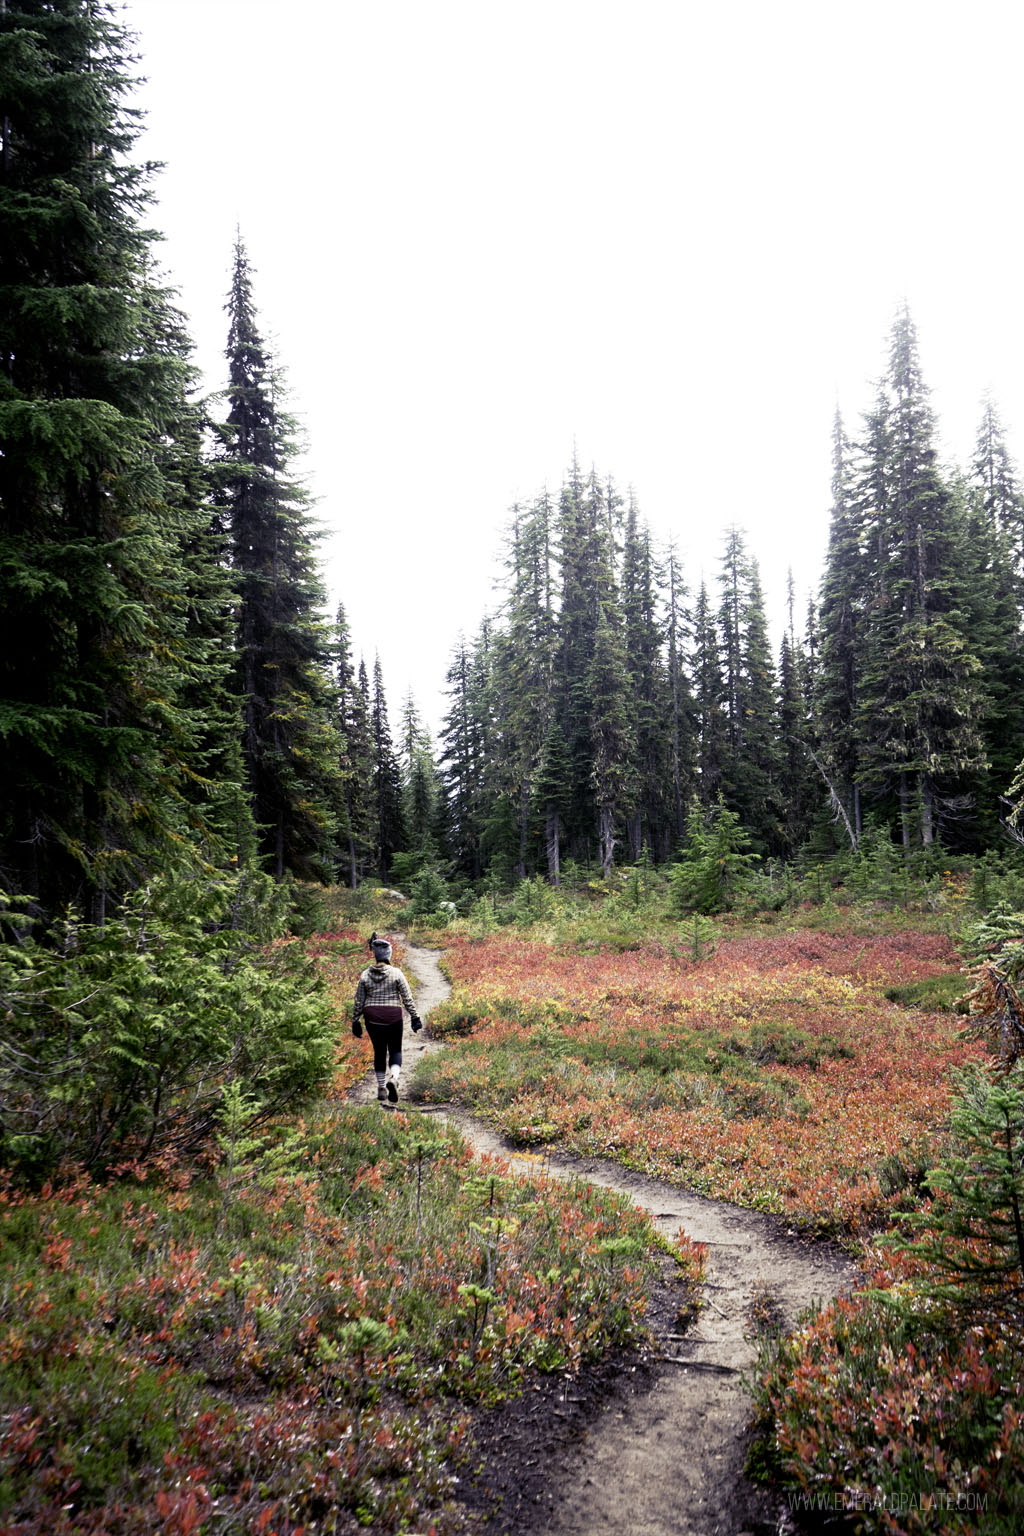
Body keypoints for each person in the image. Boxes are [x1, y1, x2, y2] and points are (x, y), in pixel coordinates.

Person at [352, 932, 422, 1103]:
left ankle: (381, 1088)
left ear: (375, 955)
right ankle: (394, 1078)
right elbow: (407, 997)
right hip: (393, 1016)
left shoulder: (365, 975)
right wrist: (415, 1017)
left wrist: (355, 1020)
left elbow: (359, 1000)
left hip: (372, 1017)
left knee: (379, 1052)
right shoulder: (397, 973)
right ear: (388, 955)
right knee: (395, 1050)